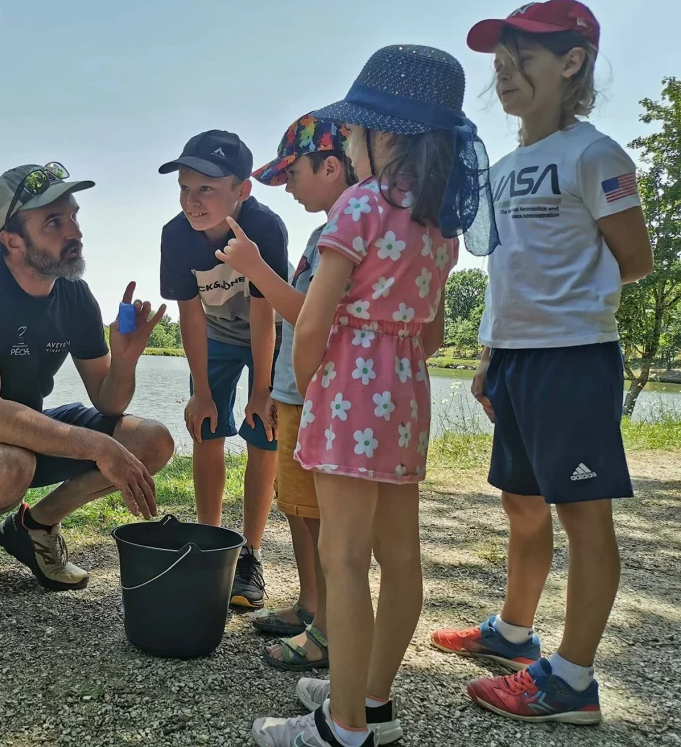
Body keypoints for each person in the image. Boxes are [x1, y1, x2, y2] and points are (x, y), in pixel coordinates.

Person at [253, 45, 499, 747]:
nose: (349, 146)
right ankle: (374, 699)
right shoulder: (438, 222)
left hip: (347, 393)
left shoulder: (360, 206)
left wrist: (313, 381)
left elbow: (314, 317)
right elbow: (430, 334)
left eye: (353, 133)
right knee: (401, 558)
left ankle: (344, 726)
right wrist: (391, 360)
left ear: (382, 135)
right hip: (406, 395)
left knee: (344, 558)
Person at [430, 0, 653, 725]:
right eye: (499, 63)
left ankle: (573, 682)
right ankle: (515, 635)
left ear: (572, 62)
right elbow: (508, 270)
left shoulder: (597, 155)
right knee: (521, 503)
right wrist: (494, 348)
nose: (506, 74)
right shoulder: (505, 168)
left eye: (522, 58)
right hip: (517, 362)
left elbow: (637, 259)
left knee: (584, 518)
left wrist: (567, 316)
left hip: (574, 360)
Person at [0, 162, 175, 620]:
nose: (74, 232)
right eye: (53, 222)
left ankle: (34, 526)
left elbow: (109, 402)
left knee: (151, 441)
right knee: (9, 465)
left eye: (74, 217)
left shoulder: (75, 295)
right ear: (12, 241)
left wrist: (125, 358)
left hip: (13, 433)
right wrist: (99, 446)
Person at [216, 114, 356, 672]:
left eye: (293, 173)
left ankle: (324, 629)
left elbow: (309, 317)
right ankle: (309, 607)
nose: (290, 186)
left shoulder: (346, 232)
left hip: (321, 396)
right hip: (297, 394)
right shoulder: (326, 231)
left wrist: (254, 269)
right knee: (297, 509)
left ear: (330, 165)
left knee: (319, 517)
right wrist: (275, 387)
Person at [159, 130, 290, 609]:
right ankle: (210, 544)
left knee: (263, 432)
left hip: (266, 337)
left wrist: (262, 388)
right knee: (207, 429)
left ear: (242, 191)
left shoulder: (265, 228)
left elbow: (264, 314)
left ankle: (251, 554)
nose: (192, 201)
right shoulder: (176, 236)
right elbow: (190, 314)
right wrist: (201, 393)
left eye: (207, 189)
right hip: (212, 338)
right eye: (185, 188)